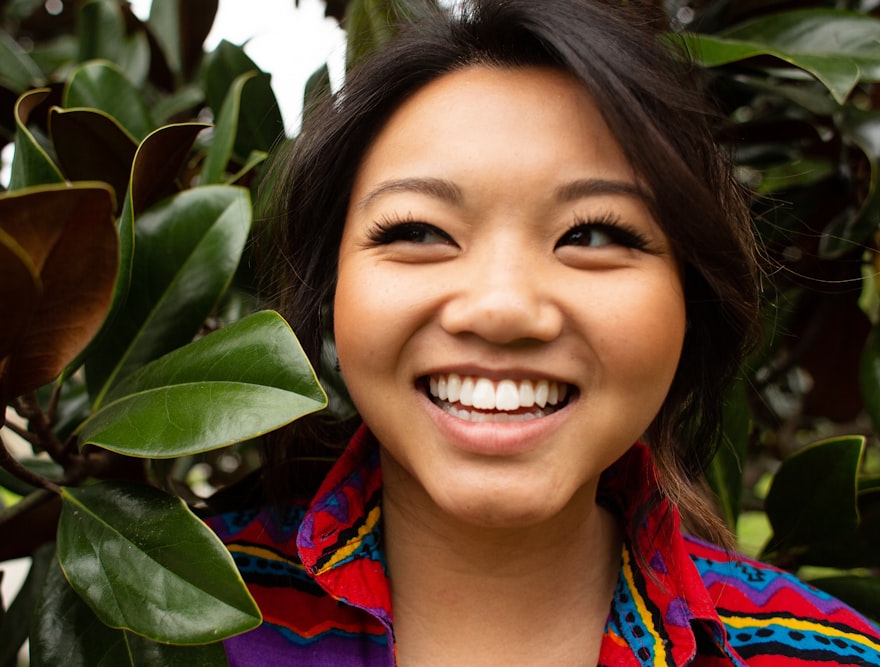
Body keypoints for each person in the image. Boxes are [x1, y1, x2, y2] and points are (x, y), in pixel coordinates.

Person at [206, 0, 880, 664]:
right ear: (333, 288)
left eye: (592, 234)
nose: (502, 309)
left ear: (690, 294)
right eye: (419, 231)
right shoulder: (164, 623)